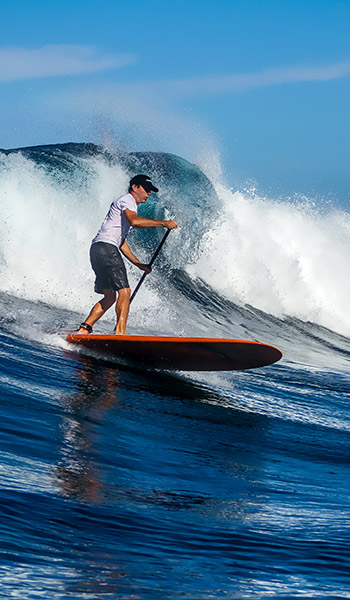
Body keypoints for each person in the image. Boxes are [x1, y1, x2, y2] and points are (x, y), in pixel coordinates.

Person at [78, 174, 178, 335]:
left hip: (97, 249)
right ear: (135, 187)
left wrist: (139, 264)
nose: (148, 193)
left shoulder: (124, 205)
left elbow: (122, 243)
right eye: (146, 189)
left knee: (110, 297)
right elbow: (134, 221)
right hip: (107, 248)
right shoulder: (127, 200)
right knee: (125, 292)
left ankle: (84, 329)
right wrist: (163, 222)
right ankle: (120, 332)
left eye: (150, 191)